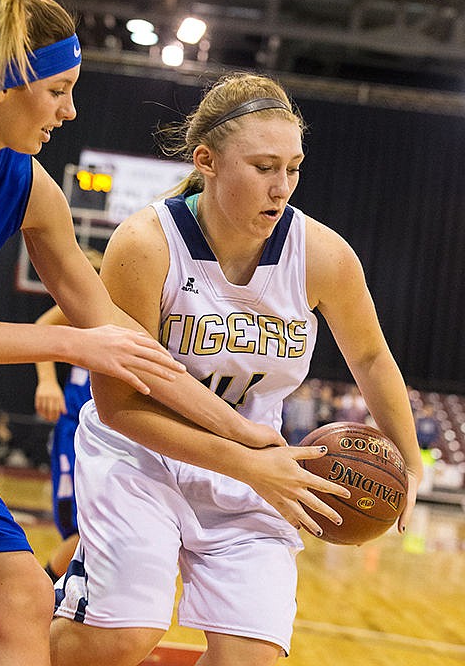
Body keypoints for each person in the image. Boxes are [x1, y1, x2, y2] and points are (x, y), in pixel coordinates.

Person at [0, 0, 311, 664]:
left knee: (19, 594)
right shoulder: (139, 236)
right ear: (4, 84)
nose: (71, 110)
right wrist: (66, 349)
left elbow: (126, 341)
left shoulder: (34, 191)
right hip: (116, 450)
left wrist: (249, 442)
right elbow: (89, 341)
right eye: (60, 89)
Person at [51, 72, 423, 666]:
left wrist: (406, 459)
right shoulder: (146, 244)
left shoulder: (323, 255)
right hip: (143, 452)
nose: (283, 188)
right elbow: (121, 406)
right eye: (264, 167)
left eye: (293, 168)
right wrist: (254, 465)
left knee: (250, 659)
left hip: (259, 462)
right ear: (208, 161)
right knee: (120, 636)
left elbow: (372, 358)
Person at [34, 249, 103, 583]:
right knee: (79, 531)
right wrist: (47, 382)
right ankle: (42, 595)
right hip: (78, 427)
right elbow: (41, 329)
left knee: (97, 532)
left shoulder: (129, 306)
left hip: (115, 435)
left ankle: (53, 596)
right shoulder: (83, 307)